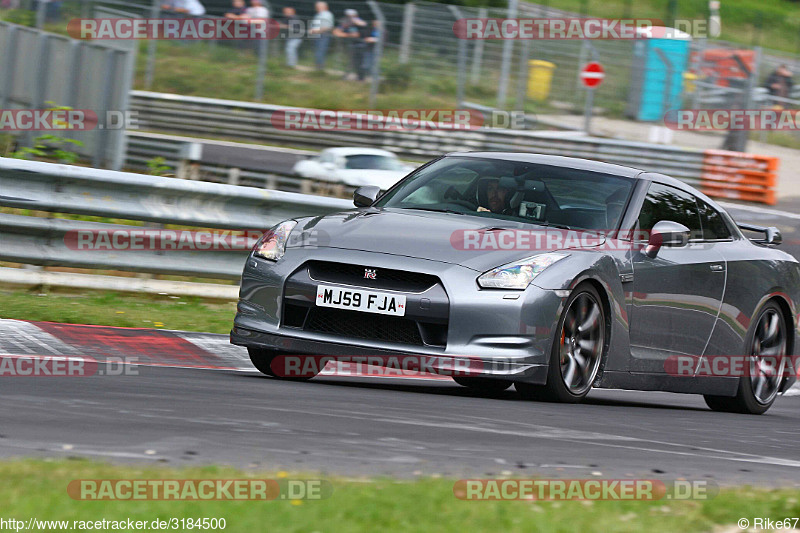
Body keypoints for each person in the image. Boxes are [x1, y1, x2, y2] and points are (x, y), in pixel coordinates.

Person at [333, 9, 367, 80]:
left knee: (359, 63)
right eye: (348, 16)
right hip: (351, 45)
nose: (349, 18)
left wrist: (344, 34)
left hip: (360, 45)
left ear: (356, 16)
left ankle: (361, 78)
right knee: (350, 62)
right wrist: (348, 34)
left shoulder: (360, 23)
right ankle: (347, 75)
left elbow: (357, 34)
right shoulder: (346, 22)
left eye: (351, 16)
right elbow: (336, 32)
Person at [309, 1, 334, 70]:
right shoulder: (319, 14)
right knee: (318, 51)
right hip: (317, 35)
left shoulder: (326, 14)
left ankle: (320, 68)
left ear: (325, 7)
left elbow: (328, 27)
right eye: (317, 6)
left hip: (323, 35)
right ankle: (318, 67)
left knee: (320, 51)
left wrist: (315, 31)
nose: (316, 8)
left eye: (319, 6)